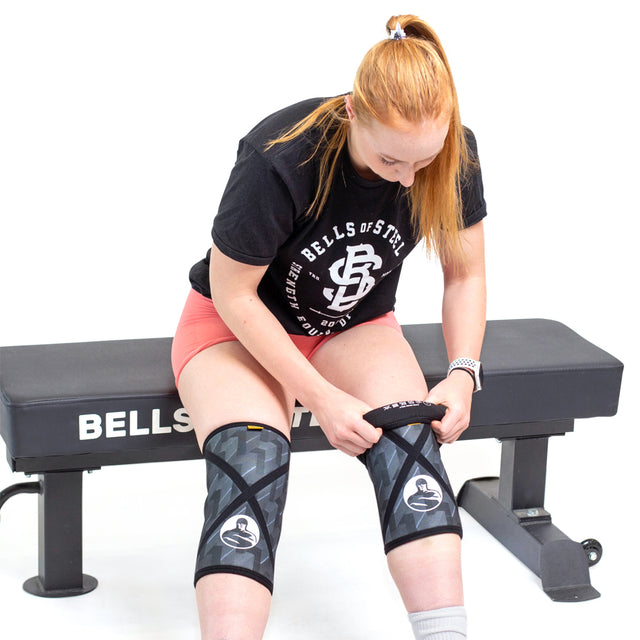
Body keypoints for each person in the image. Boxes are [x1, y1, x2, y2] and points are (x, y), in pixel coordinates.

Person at [172, 14, 487, 640]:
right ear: (350, 113)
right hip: (237, 330)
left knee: (411, 453)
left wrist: (462, 372)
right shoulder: (280, 158)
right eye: (390, 158)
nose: (407, 177)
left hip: (354, 325)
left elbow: (464, 275)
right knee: (251, 470)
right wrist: (317, 397)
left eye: (422, 161)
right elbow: (235, 296)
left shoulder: (452, 153)